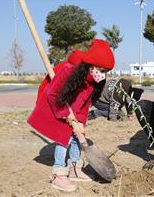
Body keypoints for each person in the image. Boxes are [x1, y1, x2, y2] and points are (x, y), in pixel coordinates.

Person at [27, 39, 115, 192]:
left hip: (72, 108)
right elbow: (53, 94)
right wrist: (66, 115)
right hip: (55, 102)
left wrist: (80, 122)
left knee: (76, 135)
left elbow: (85, 104)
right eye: (101, 70)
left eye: (105, 72)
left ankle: (74, 168)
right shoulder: (69, 70)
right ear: (91, 64)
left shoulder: (93, 80)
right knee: (64, 135)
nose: (102, 75)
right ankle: (58, 174)